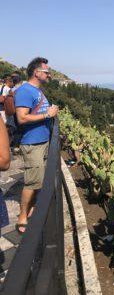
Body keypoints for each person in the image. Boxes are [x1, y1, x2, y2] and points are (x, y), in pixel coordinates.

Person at [14, 57, 58, 234]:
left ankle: (32, 208)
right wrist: (47, 115)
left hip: (42, 142)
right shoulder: (25, 91)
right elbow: (22, 118)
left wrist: (50, 113)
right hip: (32, 143)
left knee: (38, 180)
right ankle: (22, 217)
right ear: (36, 72)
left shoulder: (37, 91)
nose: (49, 74)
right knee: (32, 182)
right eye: (47, 72)